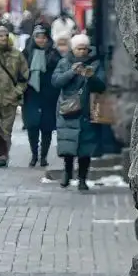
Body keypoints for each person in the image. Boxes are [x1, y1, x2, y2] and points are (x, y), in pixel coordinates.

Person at [53, 33, 107, 192]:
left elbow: (102, 86)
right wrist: (72, 72)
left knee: (85, 148)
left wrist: (91, 77)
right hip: (68, 110)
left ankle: (82, 178)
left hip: (87, 111)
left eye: (85, 48)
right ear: (72, 49)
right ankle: (67, 173)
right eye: (79, 48)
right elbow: (56, 82)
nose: (82, 51)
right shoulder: (64, 63)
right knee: (68, 145)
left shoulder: (96, 64)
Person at [0, 23, 28, 168]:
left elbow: (25, 75)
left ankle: (3, 154)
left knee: (6, 129)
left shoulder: (17, 55)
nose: (3, 38)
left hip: (10, 98)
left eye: (5, 35)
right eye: (0, 36)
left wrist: (17, 92)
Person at [22, 25, 62, 168]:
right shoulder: (26, 53)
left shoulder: (54, 54)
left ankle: (43, 156)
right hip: (31, 93)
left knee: (46, 126)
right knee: (32, 125)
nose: (40, 40)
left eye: (43, 37)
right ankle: (34, 155)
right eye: (37, 37)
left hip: (48, 94)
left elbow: (59, 71)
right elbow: (19, 72)